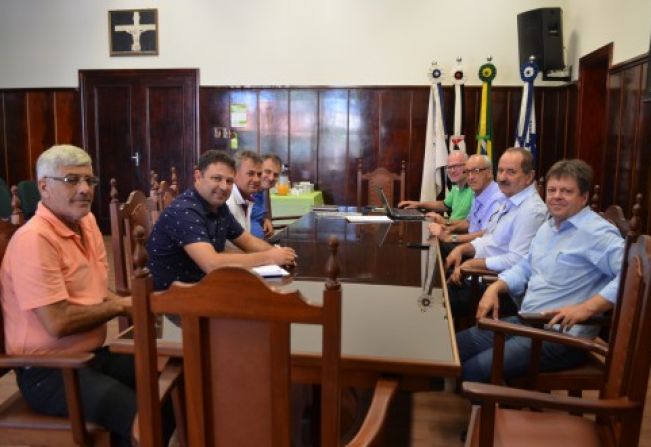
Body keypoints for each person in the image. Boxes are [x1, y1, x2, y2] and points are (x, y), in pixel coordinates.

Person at [0, 145, 174, 446]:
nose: (85, 189)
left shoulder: (87, 222)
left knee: (172, 381)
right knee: (142, 414)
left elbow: (96, 291)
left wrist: (138, 305)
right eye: (72, 180)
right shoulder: (34, 240)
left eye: (89, 180)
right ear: (44, 186)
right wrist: (123, 306)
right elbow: (58, 322)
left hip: (89, 356)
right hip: (49, 372)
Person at [457, 159, 624, 382]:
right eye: (552, 190)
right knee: (456, 348)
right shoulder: (549, 226)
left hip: (561, 338)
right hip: (528, 321)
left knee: (473, 371)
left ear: (584, 197)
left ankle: (497, 404)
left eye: (566, 191)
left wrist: (588, 308)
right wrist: (495, 287)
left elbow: (632, 275)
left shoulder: (597, 232)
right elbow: (525, 267)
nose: (556, 196)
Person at [146, 150, 297, 292]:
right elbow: (211, 264)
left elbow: (247, 241)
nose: (224, 187)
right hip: (173, 298)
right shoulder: (184, 210)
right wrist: (269, 257)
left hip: (204, 286)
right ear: (198, 176)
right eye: (216, 178)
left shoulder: (219, 206)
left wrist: (278, 253)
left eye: (229, 181)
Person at [446, 147, 547, 319]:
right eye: (500, 171)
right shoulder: (509, 200)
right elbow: (489, 238)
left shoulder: (531, 211)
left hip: (503, 290)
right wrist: (463, 248)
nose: (502, 177)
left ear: (529, 177)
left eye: (511, 172)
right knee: (439, 281)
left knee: (440, 298)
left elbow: (516, 260)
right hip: (482, 276)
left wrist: (473, 264)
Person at [429, 154, 504, 245]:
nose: (470, 177)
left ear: (489, 173)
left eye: (476, 171)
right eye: (467, 172)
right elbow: (469, 223)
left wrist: (451, 238)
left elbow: (486, 234)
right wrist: (449, 229)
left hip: (482, 249)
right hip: (472, 244)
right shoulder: (478, 193)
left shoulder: (498, 199)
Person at [398, 150, 472, 224]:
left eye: (457, 166)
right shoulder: (456, 187)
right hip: (451, 228)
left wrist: (444, 222)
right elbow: (444, 205)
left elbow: (472, 223)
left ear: (467, 166)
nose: (452, 170)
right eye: (449, 167)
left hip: (458, 230)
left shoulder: (475, 189)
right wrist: (419, 204)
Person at [226, 150, 263, 233]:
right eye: (250, 174)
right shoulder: (228, 203)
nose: (257, 179)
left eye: (259, 174)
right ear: (234, 174)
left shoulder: (247, 199)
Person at [250, 154, 282, 239]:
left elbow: (256, 213)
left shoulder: (261, 191)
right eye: (267, 172)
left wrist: (265, 219)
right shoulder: (245, 192)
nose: (271, 178)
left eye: (276, 175)